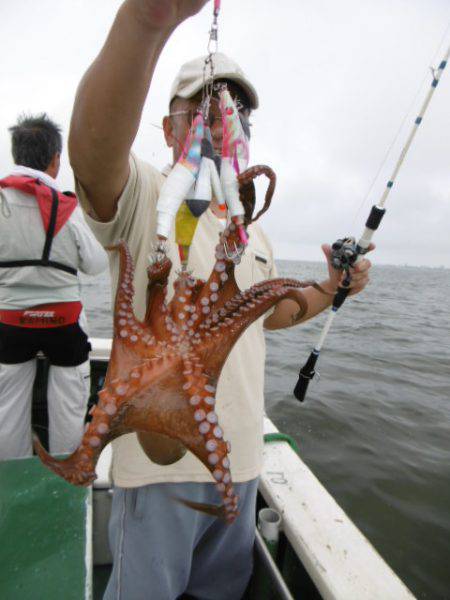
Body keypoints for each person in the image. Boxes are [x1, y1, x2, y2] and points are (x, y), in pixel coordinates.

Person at [68, 2, 373, 598]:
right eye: (203, 107)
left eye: (236, 112)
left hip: (240, 464)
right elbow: (93, 151)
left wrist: (334, 286)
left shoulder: (249, 228)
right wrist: (145, 22)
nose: (222, 120)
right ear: (169, 128)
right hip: (158, 474)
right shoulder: (145, 197)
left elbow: (273, 311)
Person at [0, 113, 108, 460]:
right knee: (68, 410)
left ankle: (13, 483)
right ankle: (66, 475)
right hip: (63, 326)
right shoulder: (66, 206)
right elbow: (95, 264)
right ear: (55, 160)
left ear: (16, 155)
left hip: (10, 326)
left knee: (7, 413)